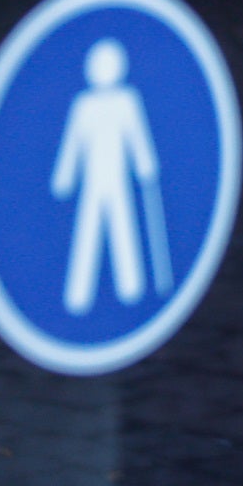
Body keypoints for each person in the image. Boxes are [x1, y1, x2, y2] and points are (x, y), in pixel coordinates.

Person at [52, 36, 161, 314]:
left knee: (123, 226)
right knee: (87, 230)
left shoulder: (127, 100)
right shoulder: (83, 104)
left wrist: (145, 164)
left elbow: (137, 135)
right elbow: (72, 143)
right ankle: (77, 295)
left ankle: (131, 287)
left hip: (117, 178)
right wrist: (64, 177)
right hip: (92, 180)